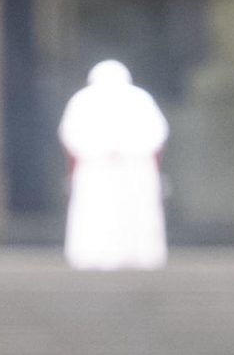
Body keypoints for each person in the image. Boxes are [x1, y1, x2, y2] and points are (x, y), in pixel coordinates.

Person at [59, 60, 170, 271]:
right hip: (99, 169)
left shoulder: (86, 100)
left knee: (128, 214)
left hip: (130, 168)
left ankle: (132, 256)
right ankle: (96, 256)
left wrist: (120, 149)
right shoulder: (138, 99)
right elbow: (72, 134)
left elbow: (155, 133)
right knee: (98, 212)